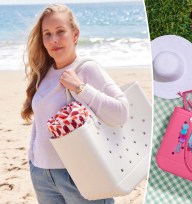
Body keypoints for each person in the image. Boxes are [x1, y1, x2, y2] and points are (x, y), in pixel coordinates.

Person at [21, 4, 128, 204]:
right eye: (47, 34)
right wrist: (33, 161)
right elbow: (40, 122)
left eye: (60, 32)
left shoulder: (87, 69)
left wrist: (80, 88)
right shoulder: (43, 72)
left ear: (75, 35)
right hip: (42, 175)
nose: (53, 40)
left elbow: (122, 112)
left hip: (80, 174)